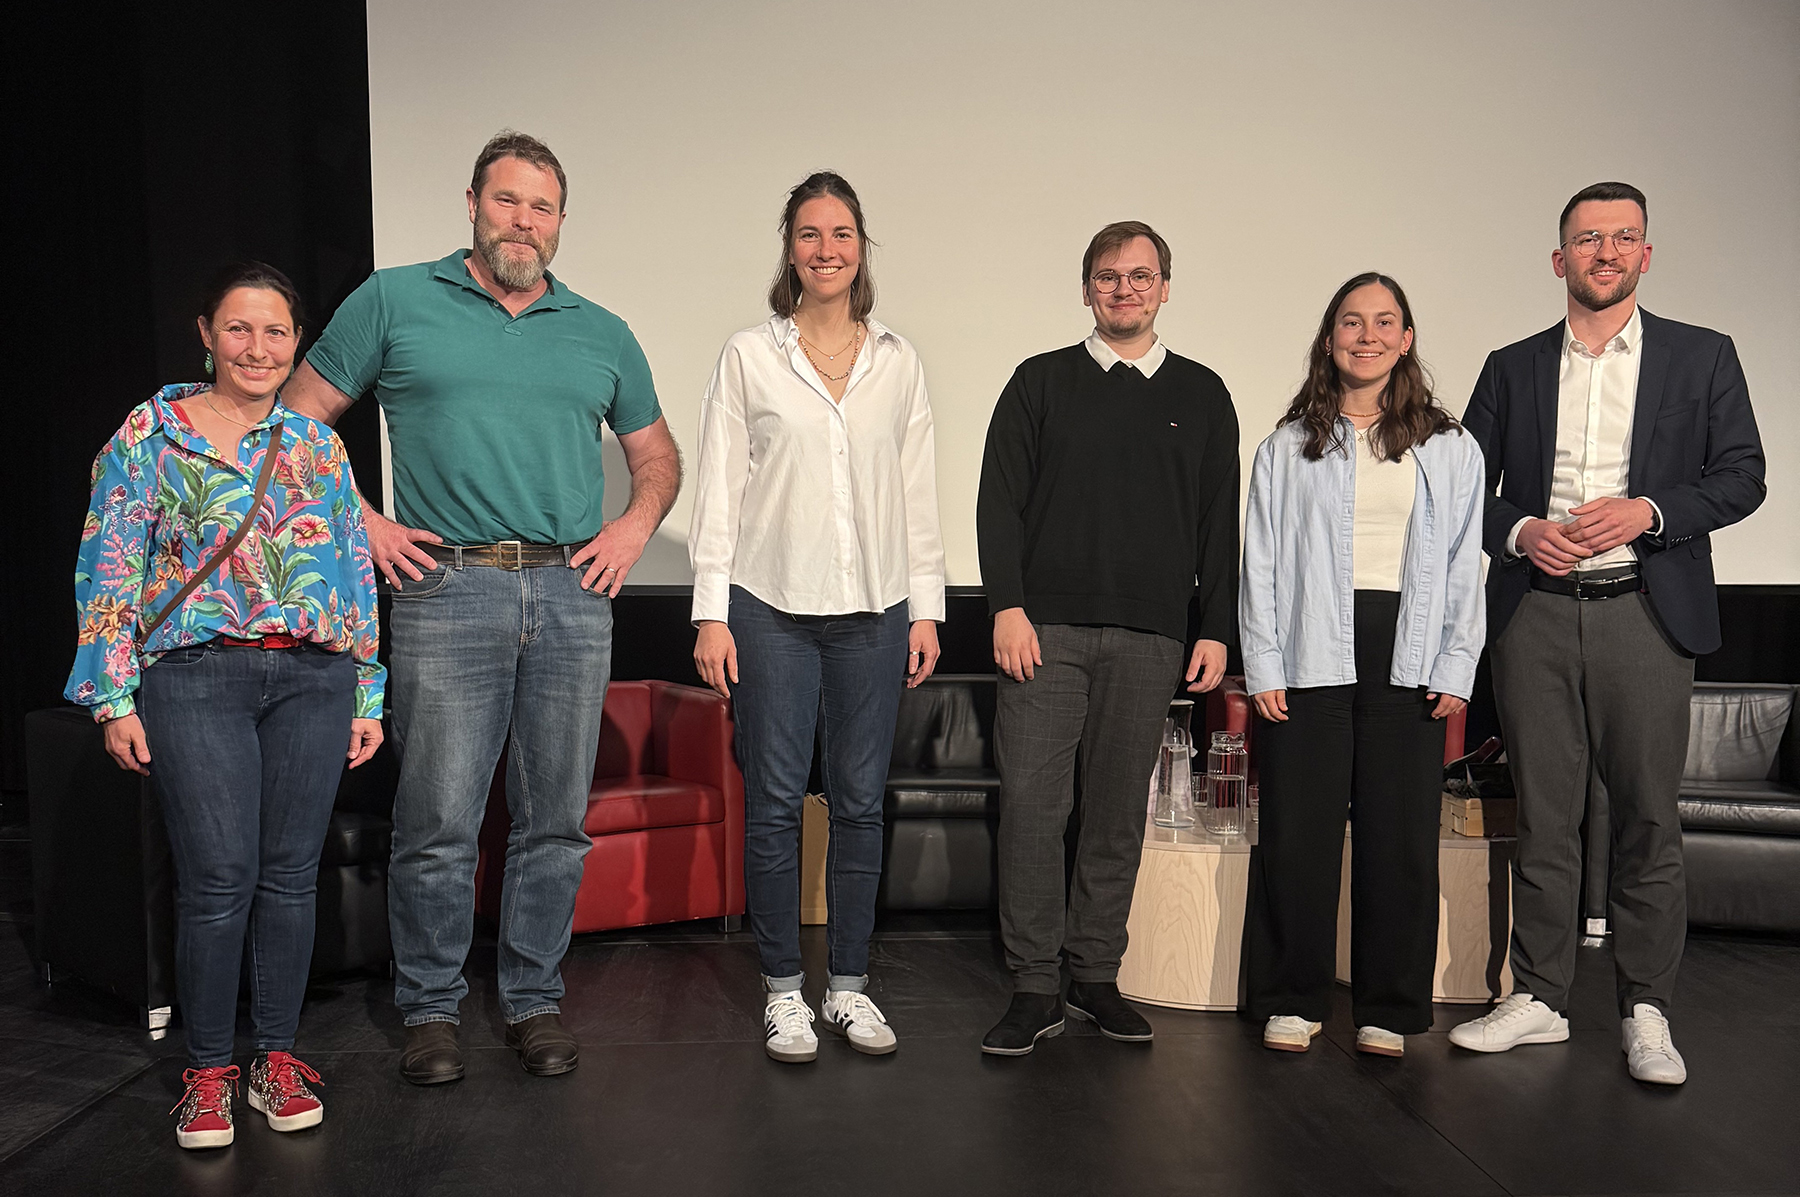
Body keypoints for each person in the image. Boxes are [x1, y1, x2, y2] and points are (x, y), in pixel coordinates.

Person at [283, 130, 682, 1084]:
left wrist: (631, 527)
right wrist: (365, 523)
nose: (524, 222)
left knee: (554, 821)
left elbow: (656, 456)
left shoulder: (601, 328)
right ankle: (429, 1008)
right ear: (472, 202)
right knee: (439, 819)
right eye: (508, 201)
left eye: (542, 208)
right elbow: (294, 423)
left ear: (559, 223)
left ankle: (534, 999)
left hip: (572, 593)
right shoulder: (395, 298)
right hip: (444, 587)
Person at [66, 262, 385, 1149]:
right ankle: (208, 1072)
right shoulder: (150, 434)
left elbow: (351, 571)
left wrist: (367, 686)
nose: (258, 347)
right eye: (240, 329)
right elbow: (109, 565)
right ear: (206, 332)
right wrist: (111, 695)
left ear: (295, 344)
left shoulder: (318, 445)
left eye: (276, 332)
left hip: (313, 680)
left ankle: (274, 1056)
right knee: (216, 879)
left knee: (288, 879)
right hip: (196, 676)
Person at [1453, 182, 1765, 1083]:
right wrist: (1519, 530)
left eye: (1623, 238)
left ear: (1645, 255)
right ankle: (1541, 997)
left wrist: (1650, 510)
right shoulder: (1510, 366)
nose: (1605, 252)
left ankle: (1647, 1009)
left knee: (1646, 819)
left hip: (1646, 609)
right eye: (1587, 239)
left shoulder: (1703, 356)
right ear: (1560, 259)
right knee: (1544, 817)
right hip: (1535, 614)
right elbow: (1460, 484)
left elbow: (1742, 476)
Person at [688, 172, 945, 1064]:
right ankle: (782, 992)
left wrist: (926, 608)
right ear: (788, 247)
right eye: (808, 234)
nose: (825, 249)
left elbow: (916, 494)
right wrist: (711, 615)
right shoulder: (750, 355)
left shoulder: (898, 362)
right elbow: (719, 489)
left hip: (876, 611)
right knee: (771, 805)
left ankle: (849, 986)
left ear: (861, 248)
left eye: (841, 234)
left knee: (862, 804)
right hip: (768, 609)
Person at [976, 221, 1239, 1056]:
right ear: (1085, 287)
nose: (1123, 289)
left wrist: (1217, 630)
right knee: (1033, 807)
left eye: (1140, 276)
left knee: (1116, 812)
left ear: (1166, 286)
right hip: (1043, 631)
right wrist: (1006, 607)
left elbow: (1217, 524)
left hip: (1153, 634)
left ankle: (1094, 973)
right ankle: (1032, 983)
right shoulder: (1039, 383)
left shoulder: (1202, 393)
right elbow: (997, 504)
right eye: (1107, 276)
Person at [1238, 273, 1485, 1057]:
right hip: (1308, 650)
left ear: (1407, 338)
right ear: (1329, 337)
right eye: (1352, 322)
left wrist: (1455, 661)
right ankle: (1291, 996)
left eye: (1384, 322)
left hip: (1406, 651)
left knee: (1400, 836)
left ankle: (1391, 1005)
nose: (1367, 335)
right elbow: (1263, 562)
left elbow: (1462, 560)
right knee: (1296, 834)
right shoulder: (1286, 446)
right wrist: (1265, 663)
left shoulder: (1449, 448)